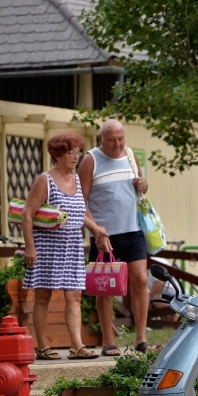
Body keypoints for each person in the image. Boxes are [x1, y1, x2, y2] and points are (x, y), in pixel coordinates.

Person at [23, 133, 109, 360]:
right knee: (43, 297)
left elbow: (79, 214)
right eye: (71, 152)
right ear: (57, 154)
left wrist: (97, 229)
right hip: (47, 248)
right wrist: (30, 247)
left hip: (71, 248)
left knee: (75, 297)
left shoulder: (77, 180)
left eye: (78, 152)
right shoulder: (45, 180)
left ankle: (77, 346)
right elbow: (27, 214)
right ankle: (42, 346)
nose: (76, 157)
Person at [78, 119, 152, 356]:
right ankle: (108, 341)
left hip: (133, 229)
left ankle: (141, 338)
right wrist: (95, 232)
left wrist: (144, 184)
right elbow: (81, 201)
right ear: (102, 139)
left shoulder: (130, 155)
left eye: (121, 139)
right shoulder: (90, 160)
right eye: (112, 140)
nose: (117, 144)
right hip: (104, 235)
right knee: (105, 287)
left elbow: (140, 186)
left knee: (140, 280)